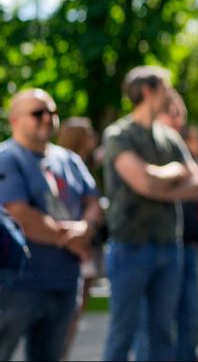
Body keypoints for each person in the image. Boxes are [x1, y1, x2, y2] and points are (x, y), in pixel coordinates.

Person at [101, 66, 198, 362]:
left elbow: (197, 185)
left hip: (170, 247)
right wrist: (174, 172)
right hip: (129, 247)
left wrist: (157, 184)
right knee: (123, 332)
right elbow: (142, 181)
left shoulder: (170, 137)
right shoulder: (118, 134)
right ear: (148, 91)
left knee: (162, 333)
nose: (171, 94)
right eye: (166, 88)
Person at [0, 89, 103, 362]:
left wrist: (86, 227)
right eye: (38, 113)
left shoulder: (69, 159)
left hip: (65, 282)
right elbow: (18, 213)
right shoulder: (7, 158)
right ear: (15, 120)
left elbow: (93, 201)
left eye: (52, 112)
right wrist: (72, 240)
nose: (47, 118)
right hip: (17, 285)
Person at [55, 115, 104, 360]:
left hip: (85, 243)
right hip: (71, 247)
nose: (94, 138)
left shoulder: (83, 165)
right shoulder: (62, 166)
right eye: (89, 133)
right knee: (67, 315)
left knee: (74, 313)